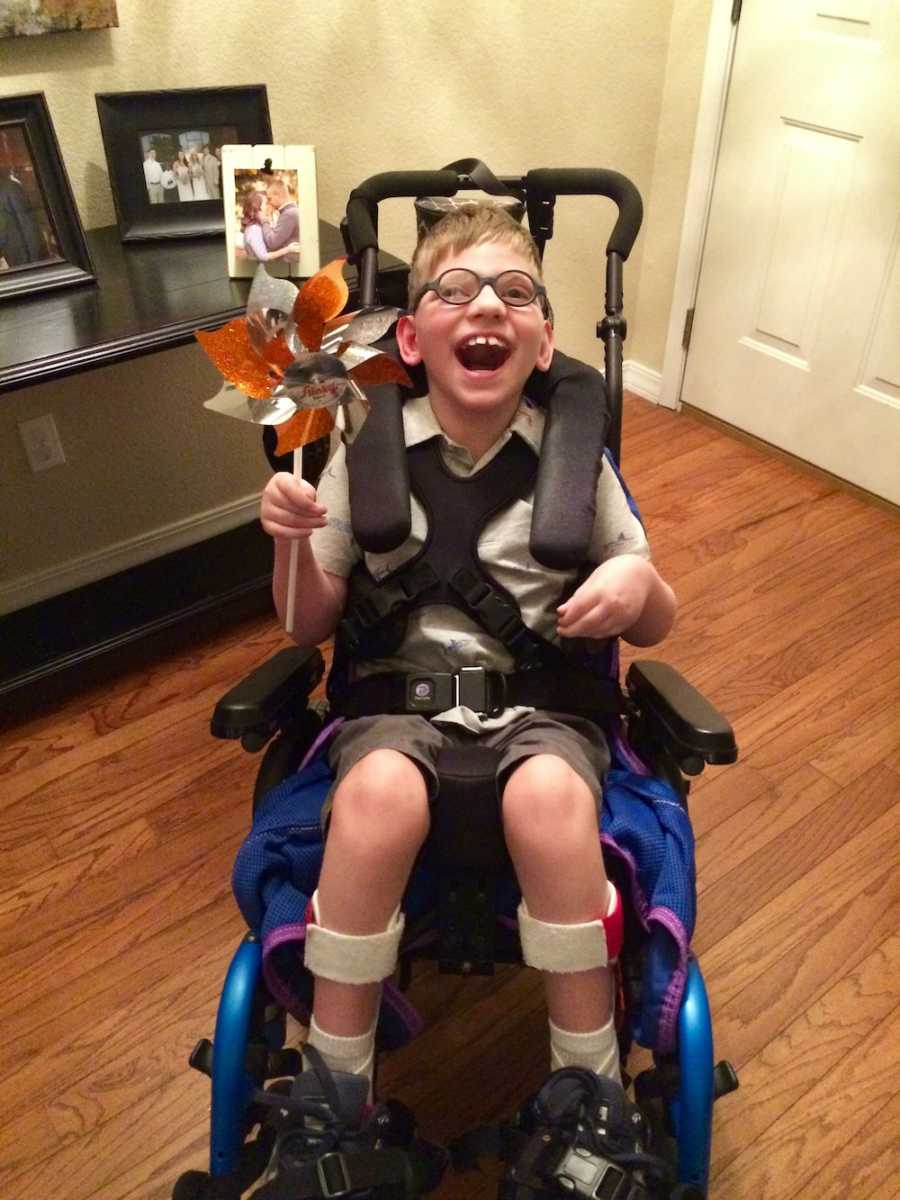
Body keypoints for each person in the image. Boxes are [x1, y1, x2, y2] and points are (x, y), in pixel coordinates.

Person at [259, 203, 676, 1102]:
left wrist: (637, 590)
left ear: (544, 340)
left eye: (514, 294)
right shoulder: (356, 450)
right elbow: (307, 623)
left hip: (544, 715)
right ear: (409, 338)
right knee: (374, 794)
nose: (486, 308)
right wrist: (292, 544)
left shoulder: (575, 463)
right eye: (455, 291)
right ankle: (336, 1085)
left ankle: (587, 1084)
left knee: (550, 797)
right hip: (393, 713)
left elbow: (655, 619)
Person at [239, 190, 301, 262]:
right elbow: (264, 256)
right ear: (258, 208)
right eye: (266, 203)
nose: (270, 205)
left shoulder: (257, 227)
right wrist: (288, 249)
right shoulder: (254, 229)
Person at [258, 177, 299, 261]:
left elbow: (272, 242)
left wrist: (264, 220)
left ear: (278, 195)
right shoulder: (290, 212)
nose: (269, 203)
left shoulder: (289, 214)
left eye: (269, 199)